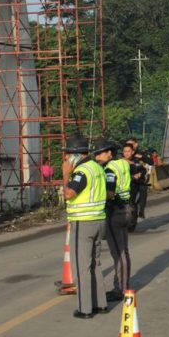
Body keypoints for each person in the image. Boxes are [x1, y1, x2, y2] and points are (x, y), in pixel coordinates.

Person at [62, 134, 109, 319]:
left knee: (82, 267)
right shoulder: (96, 168)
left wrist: (66, 174)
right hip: (99, 220)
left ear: (75, 155)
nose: (65, 159)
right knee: (95, 263)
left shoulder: (81, 172)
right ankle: (100, 304)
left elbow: (69, 194)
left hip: (84, 222)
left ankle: (85, 308)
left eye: (67, 155)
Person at [104, 143, 132, 303]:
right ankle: (123, 284)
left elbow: (110, 192)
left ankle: (121, 288)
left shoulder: (110, 169)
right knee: (124, 251)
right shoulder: (123, 164)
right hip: (126, 208)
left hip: (116, 210)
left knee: (119, 252)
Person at [125, 137, 152, 218]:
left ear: (136, 144)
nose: (129, 146)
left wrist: (141, 157)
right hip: (130, 181)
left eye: (131, 144)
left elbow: (150, 162)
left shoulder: (140, 153)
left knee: (143, 190)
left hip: (141, 180)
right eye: (127, 144)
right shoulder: (124, 155)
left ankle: (141, 211)